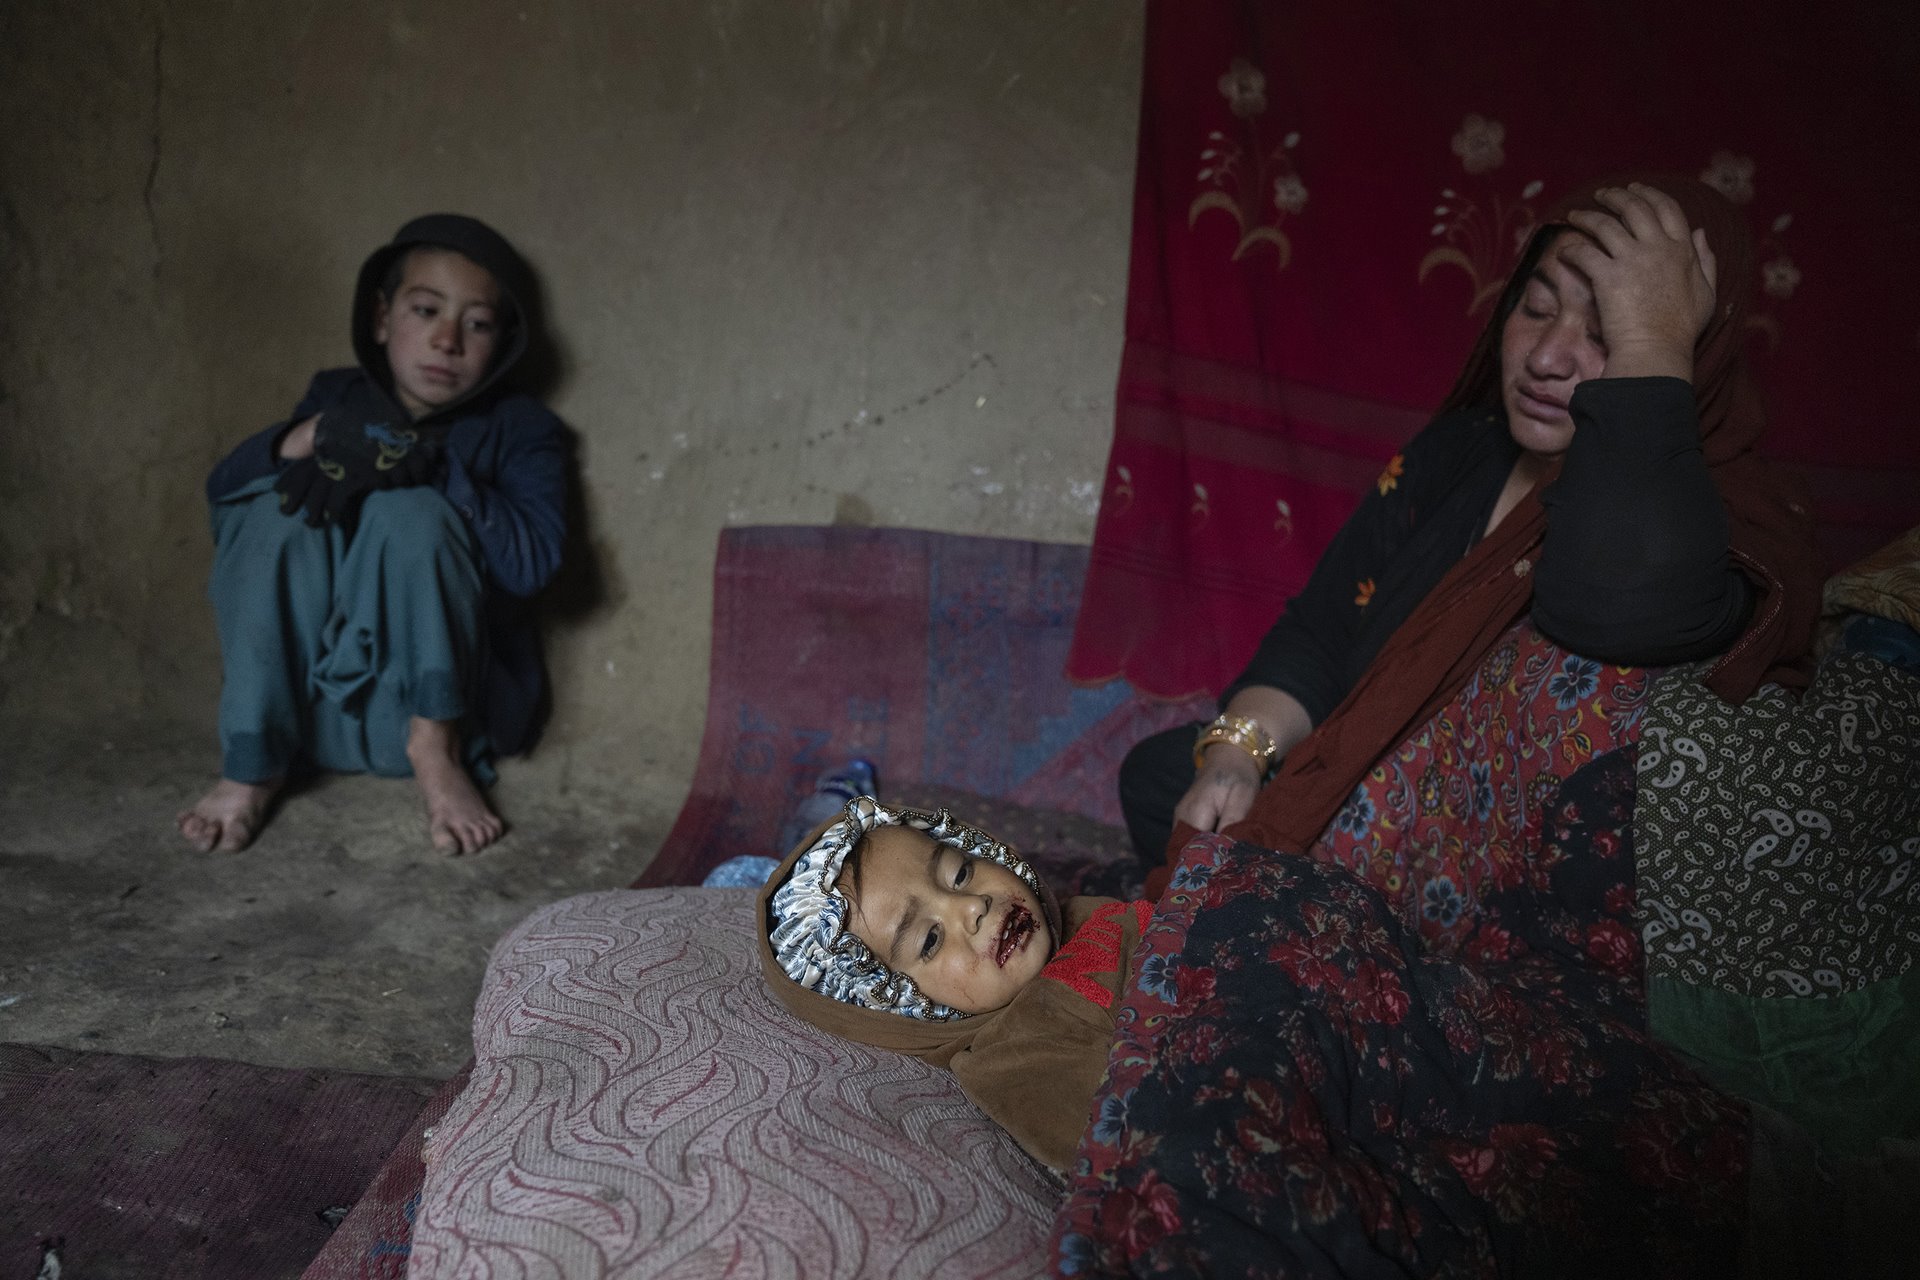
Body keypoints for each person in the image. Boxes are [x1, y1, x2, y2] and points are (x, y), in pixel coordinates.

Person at [1118, 179, 1821, 875]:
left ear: (1686, 357)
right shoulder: (1461, 452)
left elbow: (1620, 605)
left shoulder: (1724, 521)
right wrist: (1239, 752)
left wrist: (1652, 348)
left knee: (1235, 857)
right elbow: (1324, 630)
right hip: (1360, 803)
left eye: (1610, 334)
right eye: (1536, 307)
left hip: (1499, 865)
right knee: (1166, 780)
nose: (1546, 357)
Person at [176, 214, 568, 856]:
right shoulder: (340, 396)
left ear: (503, 343)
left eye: (477, 323)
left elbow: (531, 567)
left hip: (430, 714)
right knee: (276, 508)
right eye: (425, 310)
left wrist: (437, 468)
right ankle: (251, 764)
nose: (447, 340)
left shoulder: (522, 428)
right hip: (309, 720)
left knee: (407, 513)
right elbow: (223, 495)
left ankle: (436, 756)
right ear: (382, 319)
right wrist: (310, 435)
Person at [756, 796, 1154, 1171]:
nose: (971, 906)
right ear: (898, 1005)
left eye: (960, 873)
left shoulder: (1079, 915)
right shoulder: (1018, 1062)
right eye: (930, 940)